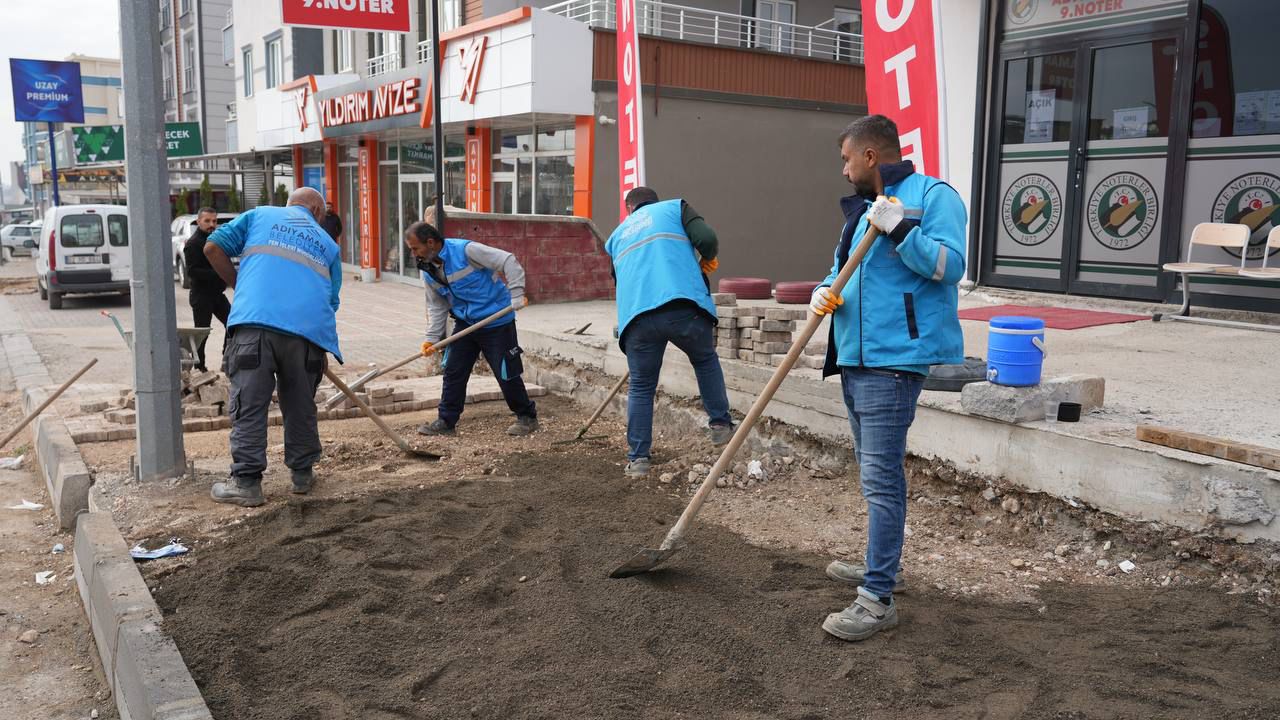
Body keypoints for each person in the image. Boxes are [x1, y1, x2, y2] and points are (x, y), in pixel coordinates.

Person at [809, 115, 966, 642]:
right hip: (857, 356)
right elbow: (841, 268)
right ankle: (884, 565)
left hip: (895, 360)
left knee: (880, 480)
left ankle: (877, 598)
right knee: (873, 474)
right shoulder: (861, 211)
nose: (844, 169)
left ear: (870, 156)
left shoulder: (933, 197)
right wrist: (823, 290)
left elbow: (949, 266)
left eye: (846, 159)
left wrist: (901, 229)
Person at [203, 187, 344, 507]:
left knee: (250, 405)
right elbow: (331, 301)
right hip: (306, 336)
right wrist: (320, 348)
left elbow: (212, 247)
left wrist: (241, 286)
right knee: (300, 404)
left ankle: (247, 484)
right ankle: (302, 475)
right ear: (317, 213)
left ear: (290, 205)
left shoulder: (261, 215)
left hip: (255, 325)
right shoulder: (328, 245)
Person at [605, 187, 733, 478]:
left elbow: (621, 280)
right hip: (682, 305)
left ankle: (638, 459)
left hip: (637, 319)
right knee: (704, 359)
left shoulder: (616, 237)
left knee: (641, 386)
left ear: (629, 208)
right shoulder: (675, 208)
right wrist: (707, 258)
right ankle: (720, 425)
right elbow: (707, 239)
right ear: (654, 201)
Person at [404, 220, 538, 437]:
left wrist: (516, 294)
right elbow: (437, 305)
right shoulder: (427, 269)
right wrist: (432, 338)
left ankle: (527, 416)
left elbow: (508, 261)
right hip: (465, 323)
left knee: (506, 372)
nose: (413, 254)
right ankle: (446, 421)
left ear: (430, 242)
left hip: (496, 321)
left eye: (415, 248)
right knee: (453, 371)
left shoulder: (466, 251)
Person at [184, 207, 231, 372]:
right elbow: (192, 271)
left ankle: (227, 360)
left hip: (217, 295)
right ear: (199, 222)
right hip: (201, 296)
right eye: (207, 221)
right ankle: (199, 367)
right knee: (202, 334)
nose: (212, 224)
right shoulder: (193, 244)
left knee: (233, 323)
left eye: (214, 221)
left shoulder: (215, 240)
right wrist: (218, 272)